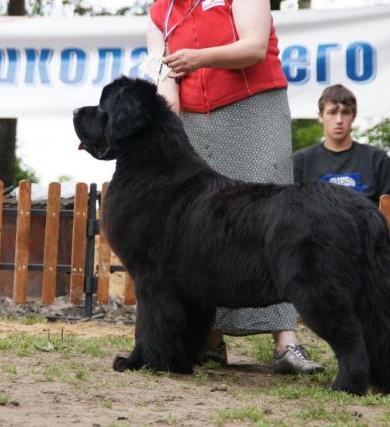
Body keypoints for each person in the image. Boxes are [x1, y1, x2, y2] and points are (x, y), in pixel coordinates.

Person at [147, 0, 322, 374]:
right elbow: (159, 61)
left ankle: (286, 342)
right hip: (194, 119)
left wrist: (197, 59)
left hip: (253, 109)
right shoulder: (160, 9)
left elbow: (254, 47)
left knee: (274, 225)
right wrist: (168, 87)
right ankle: (208, 340)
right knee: (204, 233)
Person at [293, 84, 390, 225]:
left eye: (345, 112)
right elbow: (291, 211)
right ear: (321, 116)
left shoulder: (378, 159)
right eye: (332, 112)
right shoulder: (301, 161)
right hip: (316, 243)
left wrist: (385, 237)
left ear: (354, 116)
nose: (339, 120)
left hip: (365, 242)